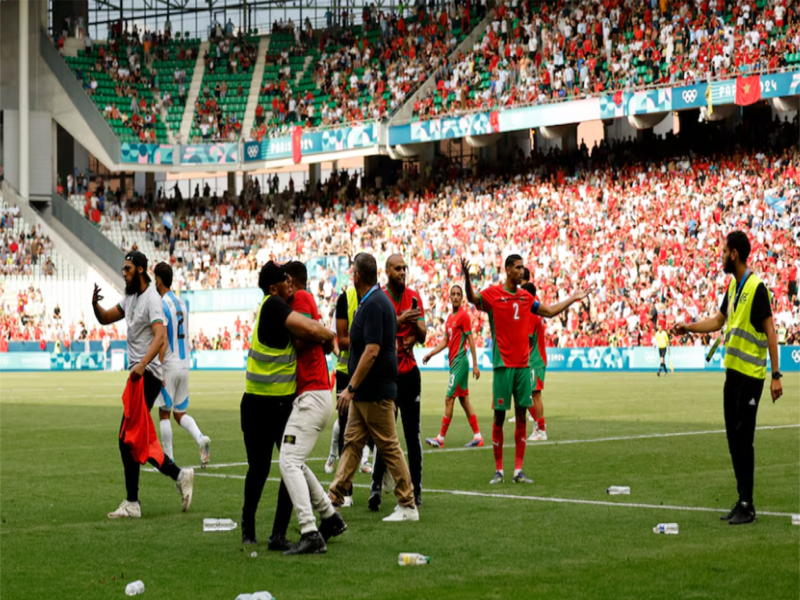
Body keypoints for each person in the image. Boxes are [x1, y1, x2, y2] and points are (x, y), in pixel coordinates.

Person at [672, 231, 783, 525]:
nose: (721, 256)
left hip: (751, 377)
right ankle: (741, 500)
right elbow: (719, 321)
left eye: (723, 251)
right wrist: (689, 327)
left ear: (734, 253)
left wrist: (775, 375)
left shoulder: (757, 287)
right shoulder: (733, 287)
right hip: (732, 375)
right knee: (734, 440)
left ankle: (748, 504)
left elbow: (771, 331)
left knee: (744, 439)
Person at [461, 255, 592, 484]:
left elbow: (549, 311)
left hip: (523, 367)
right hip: (502, 366)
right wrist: (466, 278)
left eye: (523, 267)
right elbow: (472, 298)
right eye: (518, 267)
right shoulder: (493, 294)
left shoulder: (526, 297)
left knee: (522, 416)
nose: (522, 271)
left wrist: (574, 298)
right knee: (499, 417)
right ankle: (499, 471)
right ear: (508, 269)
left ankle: (517, 471)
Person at [240, 261, 336, 548]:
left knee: (285, 465)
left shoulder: (281, 305)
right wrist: (328, 335)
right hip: (261, 406)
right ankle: (252, 530)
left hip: (278, 405)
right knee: (263, 469)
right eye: (285, 280)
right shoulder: (273, 305)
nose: (289, 283)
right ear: (273, 288)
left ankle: (275, 534)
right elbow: (307, 327)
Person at [92, 251, 194, 519]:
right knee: (134, 439)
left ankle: (134, 502)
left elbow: (160, 336)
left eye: (127, 268)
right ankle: (179, 476)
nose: (123, 272)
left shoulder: (152, 299)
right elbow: (104, 318)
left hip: (146, 375)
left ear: (139, 269)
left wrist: (142, 364)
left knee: (127, 438)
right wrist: (94, 304)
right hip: (138, 376)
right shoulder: (131, 299)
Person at [328, 253, 419, 522]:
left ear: (356, 276)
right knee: (352, 444)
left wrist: (350, 387)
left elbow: (371, 351)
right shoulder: (378, 301)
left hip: (374, 391)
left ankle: (408, 503)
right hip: (367, 392)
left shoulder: (374, 304)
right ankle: (333, 501)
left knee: (389, 446)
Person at [279, 261, 347, 555]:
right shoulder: (301, 301)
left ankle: (309, 531)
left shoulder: (301, 298)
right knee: (296, 460)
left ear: (291, 281)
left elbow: (302, 335)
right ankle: (330, 518)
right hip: (313, 392)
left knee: (289, 462)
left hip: (313, 393)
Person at [369, 254, 426, 511]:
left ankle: (416, 490)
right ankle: (376, 489)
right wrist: (400, 320)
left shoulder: (414, 296)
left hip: (410, 374)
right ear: (387, 272)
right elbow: (379, 335)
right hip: (386, 376)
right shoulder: (380, 299)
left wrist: (415, 327)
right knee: (386, 436)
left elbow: (423, 334)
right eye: (398, 268)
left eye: (404, 268)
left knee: (412, 436)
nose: (403, 272)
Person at [153, 262, 211, 465]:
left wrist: (158, 368)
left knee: (164, 413)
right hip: (185, 364)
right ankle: (201, 438)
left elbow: (163, 339)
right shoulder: (182, 303)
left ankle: (168, 458)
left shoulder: (161, 304)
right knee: (180, 414)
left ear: (158, 280)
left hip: (169, 364)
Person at [324, 280, 375, 486]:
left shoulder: (376, 298)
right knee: (345, 426)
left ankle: (376, 477)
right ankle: (346, 488)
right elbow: (338, 339)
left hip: (371, 372)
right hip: (346, 372)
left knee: (375, 425)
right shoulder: (345, 299)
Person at [422, 284, 483, 448]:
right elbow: (445, 341)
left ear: (462, 297)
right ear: (450, 297)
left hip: (460, 362)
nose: (455, 297)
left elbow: (470, 340)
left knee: (449, 399)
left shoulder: (463, 316)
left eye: (458, 294)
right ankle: (478, 436)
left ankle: (440, 438)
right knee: (464, 400)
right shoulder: (450, 318)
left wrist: (475, 365)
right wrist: (430, 353)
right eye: (453, 294)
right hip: (454, 362)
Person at [521, 282, 548, 441]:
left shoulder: (531, 314)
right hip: (534, 359)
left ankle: (541, 429)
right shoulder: (534, 312)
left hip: (535, 360)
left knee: (534, 395)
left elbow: (527, 339)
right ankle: (539, 426)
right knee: (526, 395)